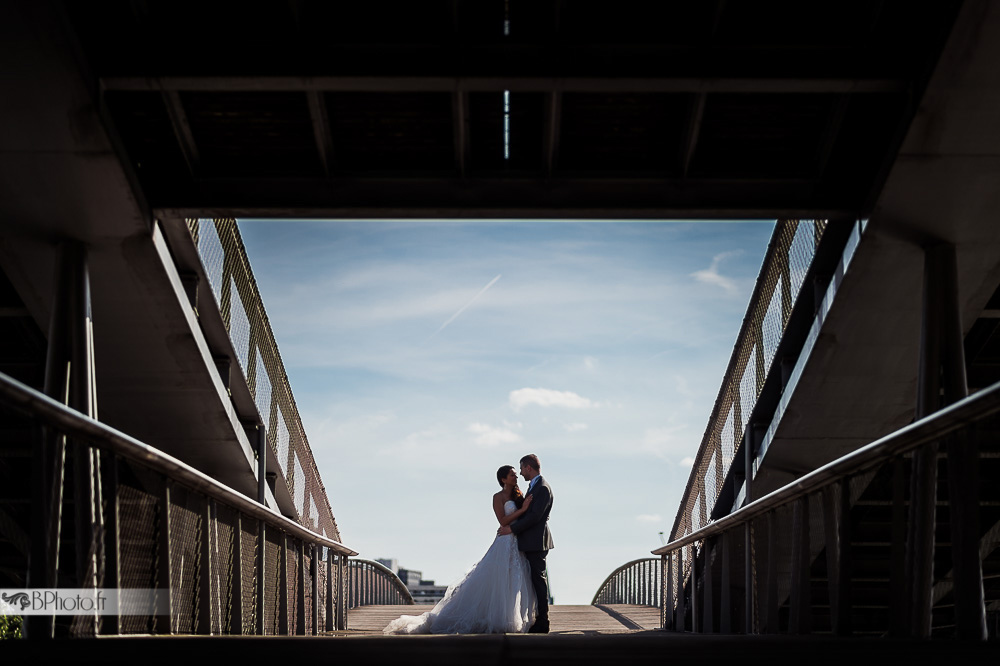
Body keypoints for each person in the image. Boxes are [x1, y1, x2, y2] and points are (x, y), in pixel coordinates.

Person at [383, 465, 537, 634]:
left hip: (517, 541)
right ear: (503, 479)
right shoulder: (497, 497)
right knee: (499, 579)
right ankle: (499, 618)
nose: (516, 478)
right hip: (505, 541)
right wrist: (522, 509)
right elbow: (502, 520)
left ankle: (512, 617)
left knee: (514, 579)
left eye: (516, 475)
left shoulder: (519, 495)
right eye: (512, 475)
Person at [497, 453, 554, 633]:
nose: (520, 474)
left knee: (538, 581)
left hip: (536, 542)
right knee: (531, 581)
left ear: (528, 467)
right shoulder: (533, 487)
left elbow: (535, 517)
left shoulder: (542, 488)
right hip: (528, 541)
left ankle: (543, 621)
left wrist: (512, 529)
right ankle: (534, 618)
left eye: (521, 469)